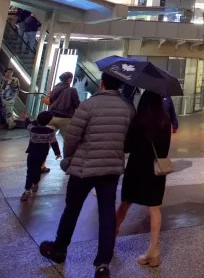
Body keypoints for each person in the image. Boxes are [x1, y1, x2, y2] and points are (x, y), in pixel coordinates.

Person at [38, 74, 134, 278]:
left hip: (84, 167)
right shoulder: (128, 108)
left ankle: (59, 248)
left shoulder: (89, 105)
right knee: (107, 213)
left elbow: (72, 136)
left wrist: (69, 157)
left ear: (102, 83)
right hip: (111, 168)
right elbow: (129, 141)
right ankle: (103, 264)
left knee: (72, 208)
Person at [115, 91, 172, 268]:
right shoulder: (165, 121)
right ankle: (153, 252)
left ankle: (110, 239)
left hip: (136, 168)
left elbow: (127, 147)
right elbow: (165, 149)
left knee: (125, 203)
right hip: (156, 170)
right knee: (154, 208)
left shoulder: (139, 120)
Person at [21, 110, 61, 201]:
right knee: (38, 169)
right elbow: (54, 142)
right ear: (49, 121)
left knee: (30, 171)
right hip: (43, 153)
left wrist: (26, 117)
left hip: (32, 153)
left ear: (38, 119)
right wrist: (57, 153)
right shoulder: (50, 131)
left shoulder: (32, 129)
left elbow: (28, 123)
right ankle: (35, 184)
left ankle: (27, 190)